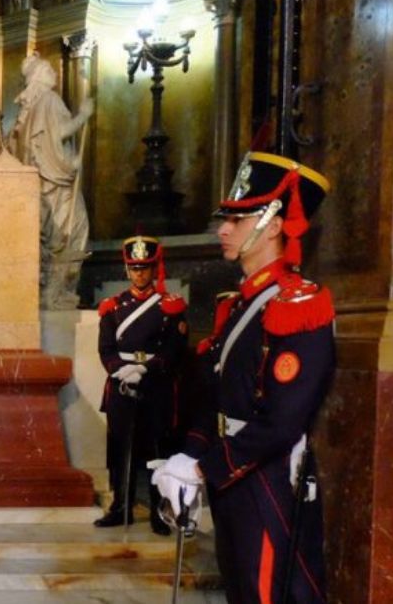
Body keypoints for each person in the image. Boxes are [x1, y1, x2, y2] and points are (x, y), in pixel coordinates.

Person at [152, 152, 333, 602]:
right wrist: (189, 454)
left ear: (274, 225)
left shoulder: (298, 304)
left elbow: (282, 421)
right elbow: (215, 393)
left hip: (266, 481)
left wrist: (205, 467)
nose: (223, 230)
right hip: (232, 476)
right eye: (225, 219)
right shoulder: (240, 304)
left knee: (265, 593)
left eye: (238, 220)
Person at [94, 236, 187, 535]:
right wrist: (121, 370)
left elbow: (174, 348)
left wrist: (146, 368)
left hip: (155, 385)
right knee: (121, 449)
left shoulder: (169, 306)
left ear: (154, 268)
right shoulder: (113, 307)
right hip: (122, 385)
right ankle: (121, 506)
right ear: (127, 269)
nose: (139, 274)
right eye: (134, 268)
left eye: (145, 268)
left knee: (157, 449)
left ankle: (160, 511)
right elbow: (105, 348)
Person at [7, 53, 94, 309]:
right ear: (39, 76)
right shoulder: (50, 100)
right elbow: (59, 133)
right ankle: (58, 293)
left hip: (43, 183)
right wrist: (83, 116)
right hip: (57, 182)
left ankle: (50, 293)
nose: (54, 73)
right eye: (48, 70)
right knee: (74, 231)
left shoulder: (29, 109)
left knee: (51, 238)